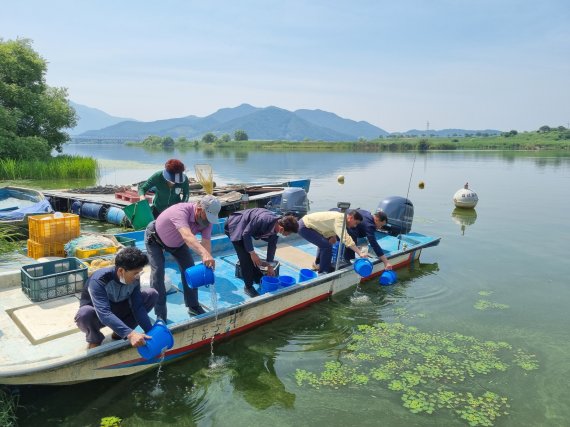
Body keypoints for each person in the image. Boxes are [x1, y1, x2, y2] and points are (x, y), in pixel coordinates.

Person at [144, 194, 221, 319]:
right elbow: (188, 236)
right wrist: (204, 254)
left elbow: (206, 242)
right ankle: (160, 315)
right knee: (158, 273)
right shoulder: (180, 211)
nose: (208, 221)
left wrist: (207, 261)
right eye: (207, 216)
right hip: (155, 239)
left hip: (179, 243)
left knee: (189, 269)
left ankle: (193, 306)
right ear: (199, 209)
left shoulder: (207, 221)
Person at [74, 247, 159, 350]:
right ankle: (95, 339)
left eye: (139, 273)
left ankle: (119, 333)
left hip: (120, 309)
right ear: (121, 270)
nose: (137, 276)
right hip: (98, 315)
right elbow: (104, 313)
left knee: (151, 294)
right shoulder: (99, 280)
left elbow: (138, 307)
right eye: (135, 273)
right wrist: (131, 334)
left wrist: (150, 332)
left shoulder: (135, 279)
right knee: (84, 313)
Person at [225, 208, 299, 297]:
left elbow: (272, 246)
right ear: (282, 229)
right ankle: (248, 286)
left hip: (245, 228)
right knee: (245, 257)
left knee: (251, 255)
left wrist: (270, 266)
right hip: (234, 225)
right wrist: (252, 253)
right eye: (288, 233)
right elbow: (246, 234)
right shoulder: (263, 219)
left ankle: (257, 276)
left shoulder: (277, 228)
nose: (287, 236)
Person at [297, 210, 368, 274]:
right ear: (351, 218)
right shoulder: (340, 219)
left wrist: (332, 236)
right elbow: (345, 238)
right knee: (326, 246)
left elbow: (331, 226)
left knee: (326, 243)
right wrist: (359, 252)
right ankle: (323, 271)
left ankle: (318, 265)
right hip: (305, 226)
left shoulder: (341, 217)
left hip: (310, 226)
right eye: (355, 223)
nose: (355, 226)